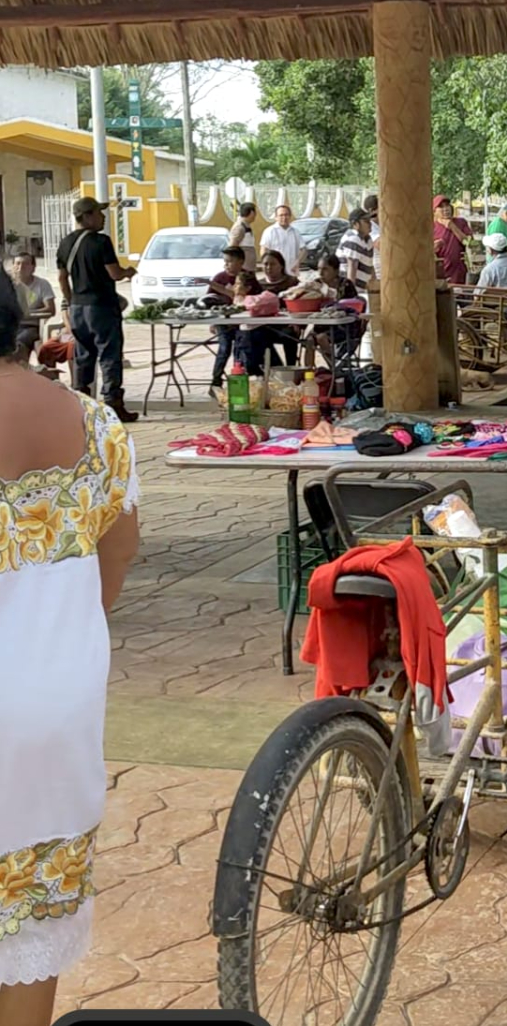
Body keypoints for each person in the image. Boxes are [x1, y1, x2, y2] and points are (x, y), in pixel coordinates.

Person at [0, 277, 140, 1025]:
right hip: (57, 707)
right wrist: (57, 643)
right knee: (33, 918)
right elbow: (119, 551)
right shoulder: (98, 425)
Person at [56, 196, 138, 423]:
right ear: (88, 216)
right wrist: (129, 272)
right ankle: (113, 405)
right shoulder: (101, 242)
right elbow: (115, 274)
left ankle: (81, 407)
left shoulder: (65, 243)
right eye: (99, 213)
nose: (103, 217)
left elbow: (62, 278)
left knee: (84, 357)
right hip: (101, 307)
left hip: (78, 309)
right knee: (110, 356)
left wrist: (72, 301)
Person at [208, 249, 258, 393]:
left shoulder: (248, 278)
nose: (226, 265)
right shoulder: (219, 278)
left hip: (244, 324)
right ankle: (215, 381)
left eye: (230, 261)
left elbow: (257, 299)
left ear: (240, 262)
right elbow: (209, 301)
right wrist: (213, 321)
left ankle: (240, 378)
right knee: (224, 349)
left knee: (241, 349)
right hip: (224, 323)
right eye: (225, 262)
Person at [10, 251, 55, 357]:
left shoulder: (42, 284)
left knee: (20, 342)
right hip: (10, 326)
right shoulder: (7, 286)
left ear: (33, 267)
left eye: (25, 264)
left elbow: (50, 309)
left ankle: (26, 370)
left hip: (30, 326)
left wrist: (30, 313)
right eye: (17, 263)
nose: (21, 267)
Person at [432, 196, 473, 285]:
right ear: (435, 211)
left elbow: (469, 243)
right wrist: (434, 247)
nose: (446, 209)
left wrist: (452, 226)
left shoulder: (461, 222)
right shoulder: (432, 227)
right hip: (442, 273)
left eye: (447, 206)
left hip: (460, 272)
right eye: (441, 207)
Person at [337, 208, 374, 292]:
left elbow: (370, 266)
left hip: (360, 289)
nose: (370, 223)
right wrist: (351, 292)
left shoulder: (368, 240)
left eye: (369, 220)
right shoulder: (353, 238)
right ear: (355, 224)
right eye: (366, 221)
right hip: (350, 290)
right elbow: (352, 266)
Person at [259, 204, 303, 275]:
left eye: (286, 215)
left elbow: (303, 249)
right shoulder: (269, 231)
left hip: (292, 271)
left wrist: (298, 262)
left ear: (290, 216)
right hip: (275, 272)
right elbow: (263, 250)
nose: (284, 217)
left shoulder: (295, 232)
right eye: (281, 215)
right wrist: (266, 265)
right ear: (276, 217)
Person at [228, 201, 258, 272]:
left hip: (248, 268)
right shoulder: (240, 227)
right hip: (243, 269)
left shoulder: (246, 225)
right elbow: (233, 247)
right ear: (251, 213)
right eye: (255, 213)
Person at [363, 193, 381, 281]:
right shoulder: (370, 227)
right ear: (372, 211)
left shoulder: (381, 226)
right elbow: (380, 245)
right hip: (379, 273)